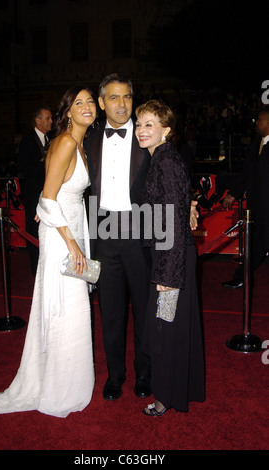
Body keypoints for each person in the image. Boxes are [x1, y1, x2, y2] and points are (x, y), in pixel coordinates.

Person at [85, 74, 199, 402]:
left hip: (141, 232)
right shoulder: (88, 139)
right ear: (103, 102)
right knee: (110, 310)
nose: (122, 104)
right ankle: (115, 374)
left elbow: (176, 173)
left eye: (127, 98)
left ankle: (145, 372)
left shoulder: (147, 134)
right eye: (114, 98)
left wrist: (188, 203)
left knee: (146, 309)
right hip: (103, 232)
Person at [0, 86, 97, 418]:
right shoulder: (64, 142)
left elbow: (55, 192)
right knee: (62, 304)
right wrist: (72, 242)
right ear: (68, 111)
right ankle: (57, 385)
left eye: (91, 101)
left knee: (73, 304)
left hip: (71, 226)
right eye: (79, 103)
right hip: (63, 233)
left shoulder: (81, 143)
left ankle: (67, 378)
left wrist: (71, 231)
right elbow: (49, 198)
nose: (87, 106)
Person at [135, 100, 205, 416]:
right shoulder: (162, 159)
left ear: (166, 130)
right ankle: (177, 390)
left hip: (170, 262)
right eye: (139, 124)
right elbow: (174, 208)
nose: (141, 130)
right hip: (169, 258)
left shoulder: (165, 161)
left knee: (164, 327)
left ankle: (164, 398)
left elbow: (174, 223)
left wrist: (167, 274)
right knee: (168, 326)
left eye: (149, 124)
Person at [222, 106, 269, 289]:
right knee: (256, 246)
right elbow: (247, 173)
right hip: (257, 209)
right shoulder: (256, 144)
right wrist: (234, 193)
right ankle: (240, 277)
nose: (256, 123)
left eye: (260, 120)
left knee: (258, 246)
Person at [18, 106, 53, 275]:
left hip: (50, 194)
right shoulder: (27, 140)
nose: (51, 121)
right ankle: (36, 269)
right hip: (33, 195)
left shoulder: (52, 139)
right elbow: (26, 168)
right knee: (33, 231)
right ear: (37, 120)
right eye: (47, 118)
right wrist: (50, 169)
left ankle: (48, 266)